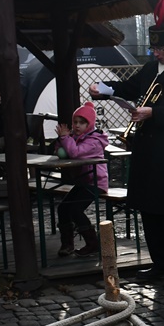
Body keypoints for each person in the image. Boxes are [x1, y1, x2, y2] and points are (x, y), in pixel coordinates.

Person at [91, 0, 164, 288]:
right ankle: (160, 263)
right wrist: (103, 88)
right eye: (153, 48)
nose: (156, 54)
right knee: (149, 208)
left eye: (161, 48)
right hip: (146, 148)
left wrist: (153, 112)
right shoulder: (151, 68)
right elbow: (129, 87)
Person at [54, 102, 109, 258]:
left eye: (81, 122)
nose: (77, 126)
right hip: (83, 182)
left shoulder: (94, 140)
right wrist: (61, 140)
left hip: (95, 182)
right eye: (75, 122)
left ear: (89, 124)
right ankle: (67, 244)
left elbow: (76, 153)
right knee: (63, 208)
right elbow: (62, 151)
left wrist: (65, 138)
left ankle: (93, 243)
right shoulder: (76, 138)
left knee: (75, 209)